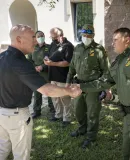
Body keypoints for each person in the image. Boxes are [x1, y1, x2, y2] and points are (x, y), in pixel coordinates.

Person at [0, 24, 81, 160]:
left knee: (2, 148)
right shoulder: (20, 63)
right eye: (32, 37)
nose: (36, 40)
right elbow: (47, 90)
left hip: (2, 113)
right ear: (19, 40)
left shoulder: (2, 57)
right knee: (21, 155)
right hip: (16, 116)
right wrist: (69, 91)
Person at [78, 27, 130, 159]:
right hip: (128, 116)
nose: (112, 43)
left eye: (115, 39)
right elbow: (104, 82)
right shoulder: (118, 62)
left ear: (127, 40)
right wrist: (80, 87)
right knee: (126, 152)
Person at [66, 24, 110, 148]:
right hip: (78, 85)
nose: (86, 37)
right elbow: (72, 66)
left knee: (92, 113)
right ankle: (82, 129)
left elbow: (106, 70)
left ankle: (91, 137)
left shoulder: (99, 49)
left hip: (93, 87)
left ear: (93, 35)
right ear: (81, 35)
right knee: (78, 110)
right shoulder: (77, 48)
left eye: (89, 35)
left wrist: (105, 88)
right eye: (84, 35)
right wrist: (68, 82)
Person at [44, 27, 74, 127]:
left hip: (63, 77)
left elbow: (67, 63)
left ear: (61, 36)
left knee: (64, 98)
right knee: (55, 97)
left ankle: (66, 118)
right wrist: (46, 58)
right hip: (53, 76)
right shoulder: (53, 44)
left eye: (54, 37)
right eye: (51, 37)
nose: (52, 39)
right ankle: (58, 115)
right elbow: (48, 54)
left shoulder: (68, 46)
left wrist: (52, 64)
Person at [27, 30, 55, 119]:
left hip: (47, 73)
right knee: (37, 92)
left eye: (42, 35)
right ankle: (37, 111)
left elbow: (51, 59)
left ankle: (53, 111)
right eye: (38, 36)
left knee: (50, 91)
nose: (40, 37)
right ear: (35, 38)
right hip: (36, 73)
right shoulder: (32, 48)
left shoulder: (49, 47)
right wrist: (34, 68)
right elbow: (29, 61)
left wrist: (42, 67)